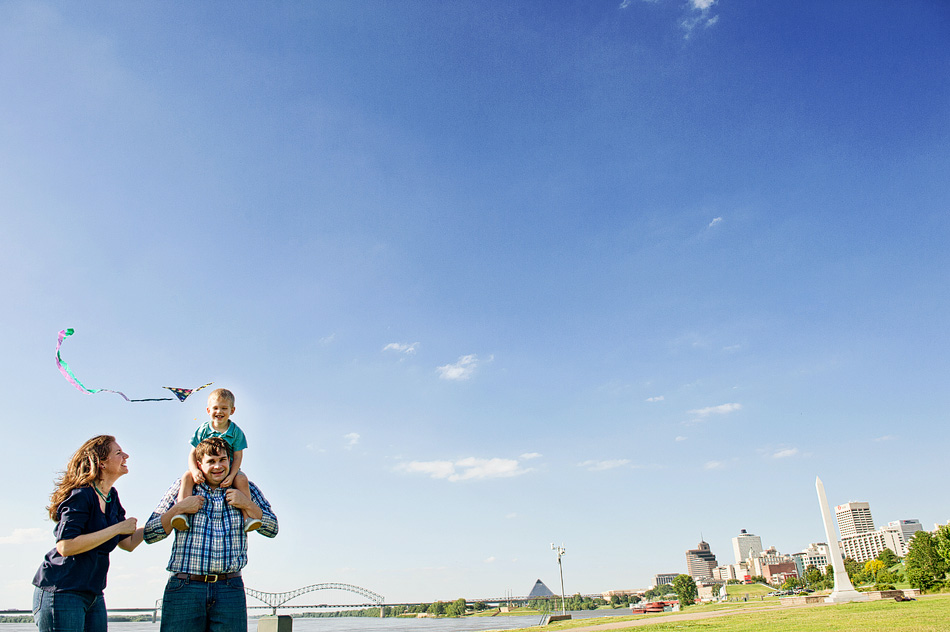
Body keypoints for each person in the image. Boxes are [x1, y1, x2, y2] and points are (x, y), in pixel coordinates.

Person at [145, 437, 278, 632]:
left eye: (222, 460)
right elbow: (150, 534)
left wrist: (247, 504)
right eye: (211, 461)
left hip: (229, 589)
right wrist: (179, 508)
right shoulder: (184, 487)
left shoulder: (245, 488)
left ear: (230, 461)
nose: (218, 466)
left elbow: (272, 529)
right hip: (185, 587)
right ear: (199, 464)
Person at [32, 435, 145, 632]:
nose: (126, 455)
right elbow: (65, 546)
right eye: (118, 453)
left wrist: (169, 515)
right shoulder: (81, 495)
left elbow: (127, 543)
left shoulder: (111, 496)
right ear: (101, 463)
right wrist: (117, 528)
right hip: (62, 591)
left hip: (94, 594)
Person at [173, 388, 260, 532]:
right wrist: (194, 470)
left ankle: (247, 518)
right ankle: (182, 514)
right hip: (203, 472)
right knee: (186, 476)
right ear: (208, 410)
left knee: (242, 479)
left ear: (232, 410)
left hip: (228, 471)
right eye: (215, 408)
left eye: (224, 408)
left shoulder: (236, 432)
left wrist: (232, 475)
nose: (219, 412)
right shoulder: (203, 430)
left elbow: (238, 456)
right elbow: (192, 454)